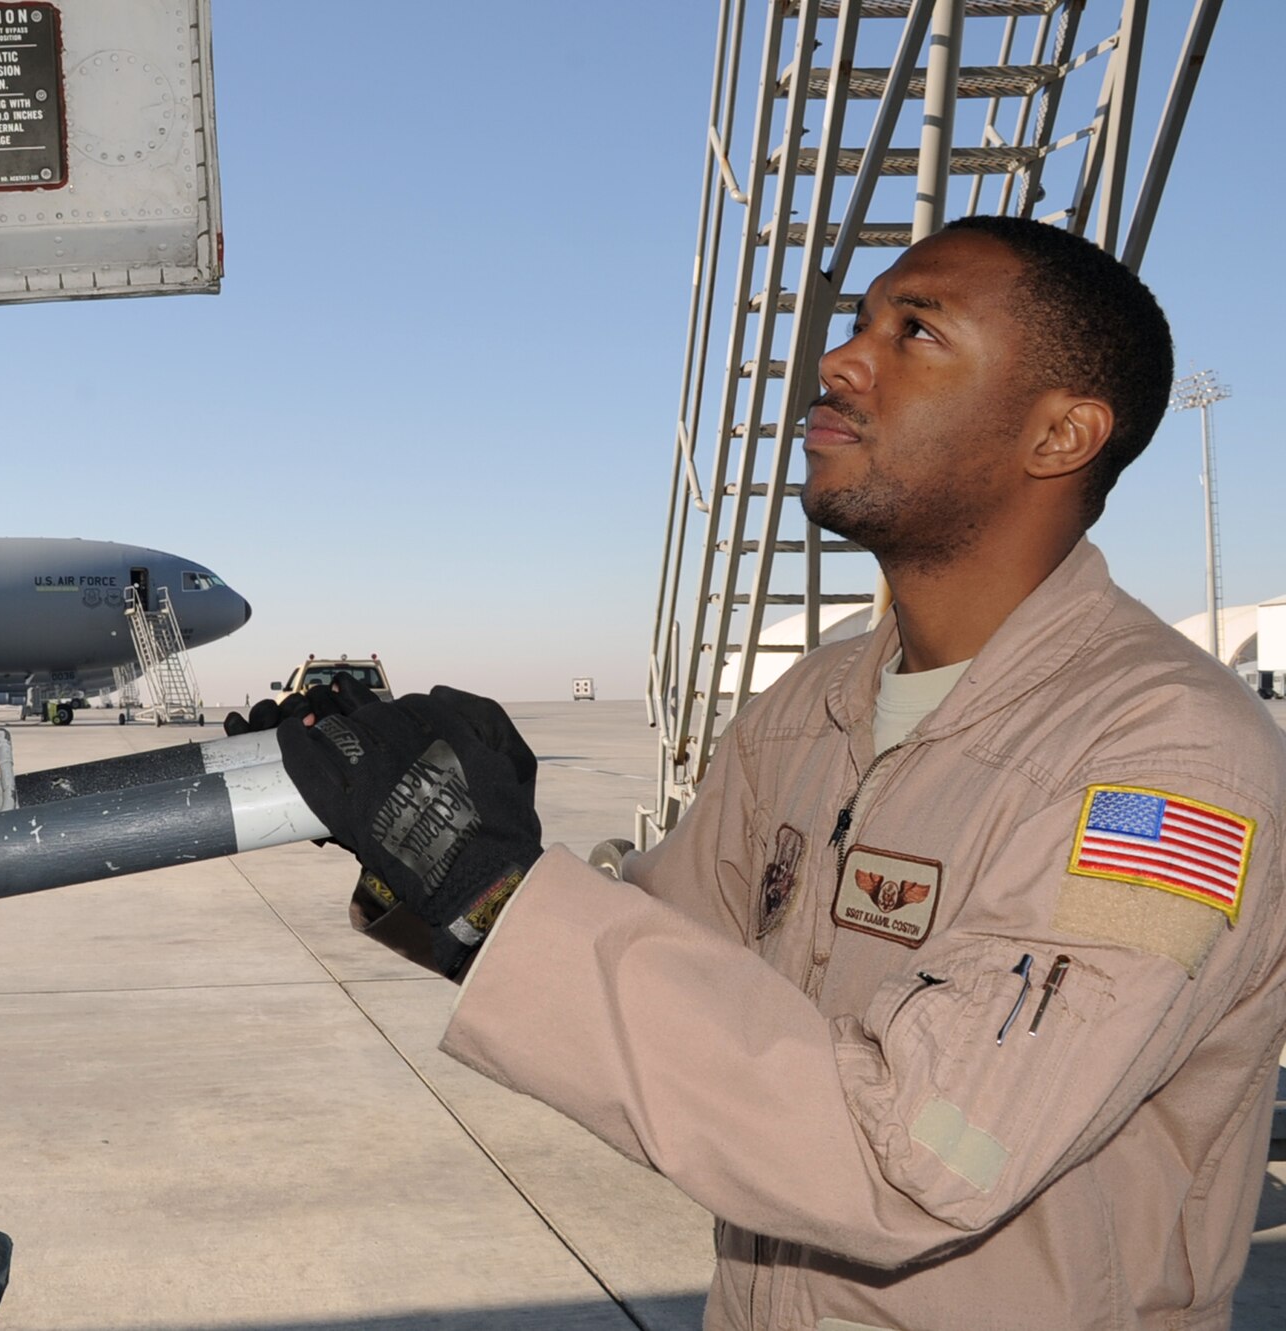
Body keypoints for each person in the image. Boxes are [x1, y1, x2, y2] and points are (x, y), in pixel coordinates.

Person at [240, 217, 1286, 1330]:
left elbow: (922, 1156)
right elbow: (666, 965)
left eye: (914, 329)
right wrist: (441, 843)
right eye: (856, 322)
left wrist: (494, 894)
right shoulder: (813, 707)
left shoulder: (1164, 764)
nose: (836, 360)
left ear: (1057, 434)